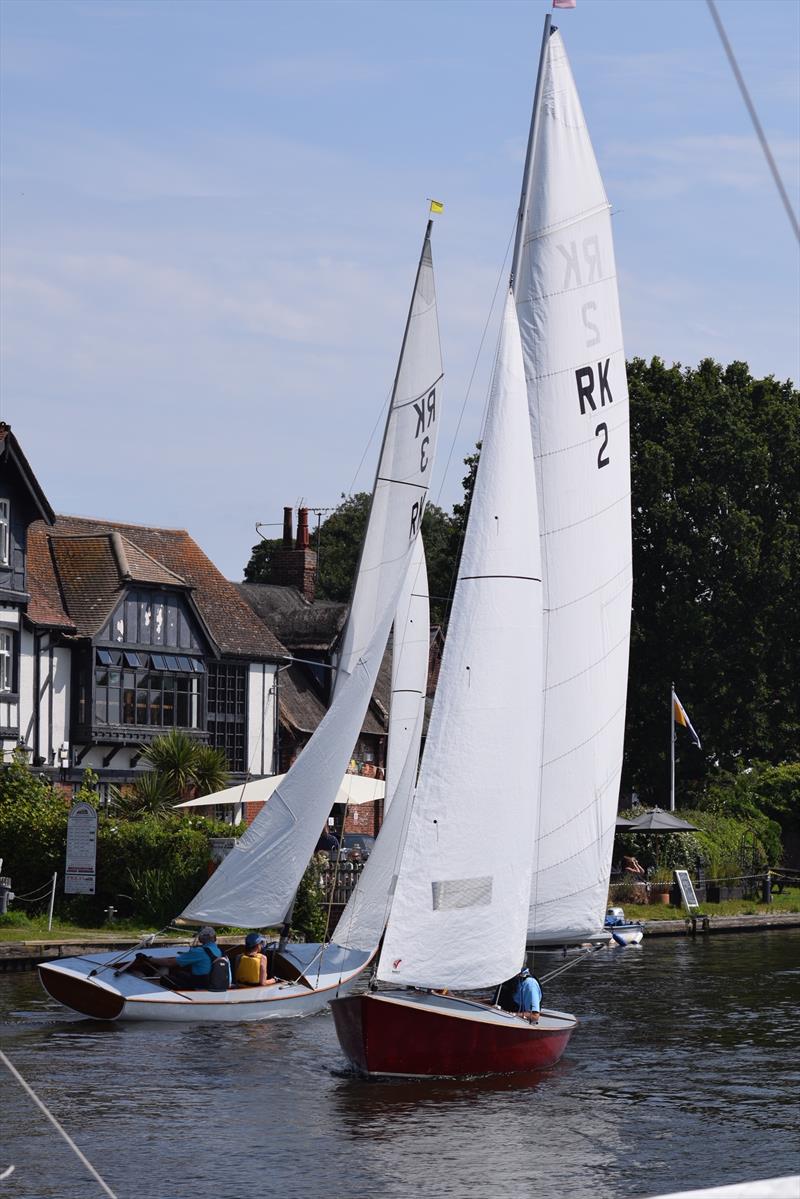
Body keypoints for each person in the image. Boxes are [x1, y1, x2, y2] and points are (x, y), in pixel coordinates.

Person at [157, 926, 222, 990]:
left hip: (200, 986)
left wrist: (151, 959)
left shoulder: (199, 951)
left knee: (165, 979)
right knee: (180, 974)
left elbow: (169, 963)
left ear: (201, 938)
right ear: (214, 938)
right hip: (213, 983)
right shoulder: (220, 951)